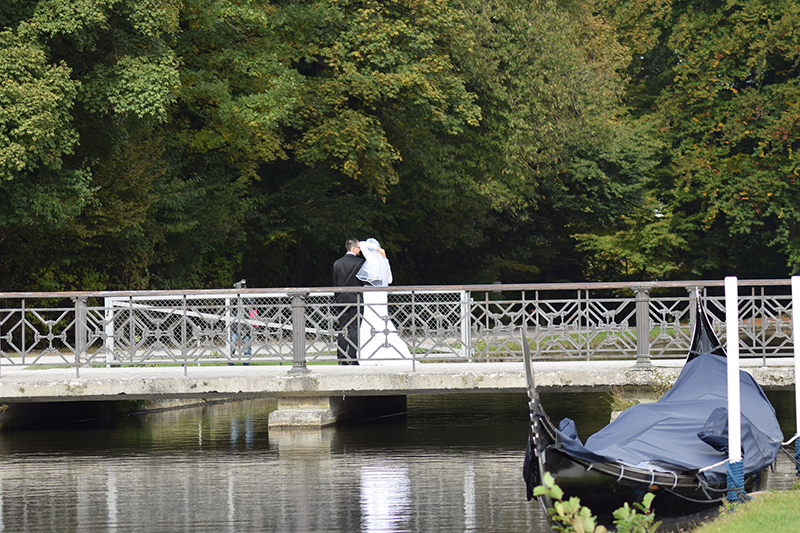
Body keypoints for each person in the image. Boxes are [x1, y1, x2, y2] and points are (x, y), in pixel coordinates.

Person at [356, 239, 412, 364]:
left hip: (371, 294)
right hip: (382, 295)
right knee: (383, 319)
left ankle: (369, 352)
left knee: (370, 319)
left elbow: (361, 244)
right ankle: (390, 348)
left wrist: (377, 250)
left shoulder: (372, 259)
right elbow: (390, 280)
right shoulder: (385, 261)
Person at [332, 238, 366, 365]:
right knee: (354, 328)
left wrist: (337, 298)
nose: (360, 250)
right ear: (353, 248)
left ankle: (341, 358)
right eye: (359, 248)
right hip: (355, 299)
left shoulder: (337, 263)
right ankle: (353, 358)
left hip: (341, 300)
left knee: (342, 328)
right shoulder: (360, 262)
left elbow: (335, 283)